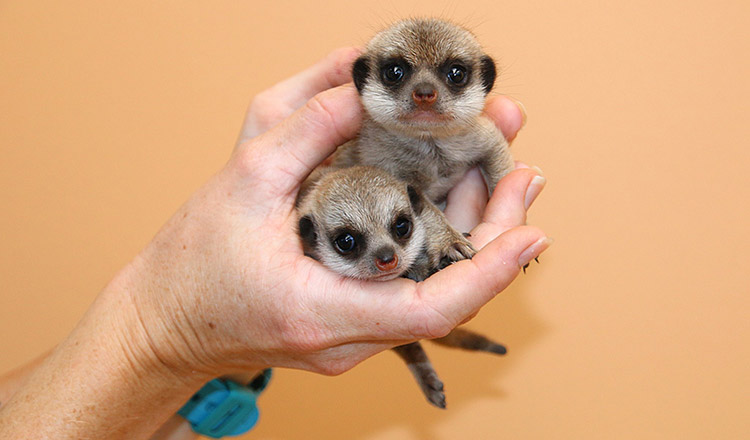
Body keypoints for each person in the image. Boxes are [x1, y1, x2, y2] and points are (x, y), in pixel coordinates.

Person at [0, 47, 550, 439]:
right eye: (401, 72)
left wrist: (203, 348)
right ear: (365, 82)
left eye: (453, 74)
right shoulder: (346, 159)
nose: (425, 91)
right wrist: (173, 334)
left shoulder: (466, 138)